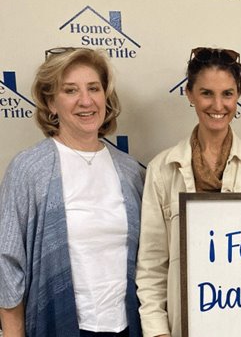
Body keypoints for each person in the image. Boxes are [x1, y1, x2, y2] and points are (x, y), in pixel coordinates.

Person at [136, 47, 241, 337]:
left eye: (227, 94)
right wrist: (157, 332)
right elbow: (152, 266)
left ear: (237, 96)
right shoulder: (162, 168)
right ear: (189, 94)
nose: (218, 104)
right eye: (206, 93)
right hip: (185, 326)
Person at [0, 47, 145, 337]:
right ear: (50, 102)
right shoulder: (30, 169)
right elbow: (7, 262)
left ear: (106, 96)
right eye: (70, 91)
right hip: (60, 325)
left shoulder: (131, 172)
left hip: (128, 327)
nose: (86, 101)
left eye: (94, 88)